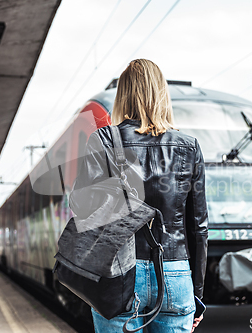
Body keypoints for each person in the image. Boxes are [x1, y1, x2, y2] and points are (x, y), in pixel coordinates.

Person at [71, 59, 208, 332]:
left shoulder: (103, 140)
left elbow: (82, 209)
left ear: (123, 96)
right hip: (175, 272)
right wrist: (197, 293)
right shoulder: (188, 147)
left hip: (117, 271)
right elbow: (199, 228)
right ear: (161, 94)